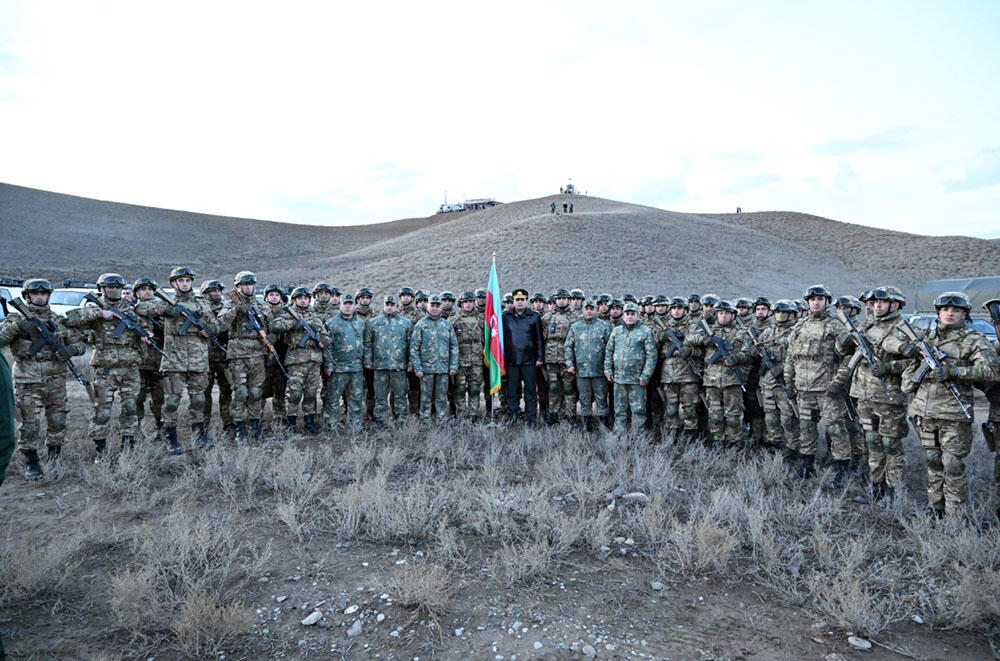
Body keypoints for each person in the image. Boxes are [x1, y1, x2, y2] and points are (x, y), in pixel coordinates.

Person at [901, 292, 998, 517]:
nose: (950, 313)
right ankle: (936, 509)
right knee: (933, 462)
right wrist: (912, 375)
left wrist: (955, 371)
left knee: (952, 466)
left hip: (954, 414)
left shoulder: (974, 340)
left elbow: (992, 371)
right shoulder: (926, 338)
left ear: (965, 314)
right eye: (945, 310)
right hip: (924, 413)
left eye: (956, 310)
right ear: (938, 312)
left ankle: (955, 517)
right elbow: (908, 366)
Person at [0, 278, 86, 479]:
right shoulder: (15, 319)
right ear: (27, 296)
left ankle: (55, 459)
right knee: (29, 423)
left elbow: (80, 344)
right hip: (27, 380)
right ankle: (31, 462)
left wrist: (69, 350)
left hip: (56, 379)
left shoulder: (58, 321)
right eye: (35, 294)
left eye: (43, 294)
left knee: (58, 420)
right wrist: (19, 327)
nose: (39, 297)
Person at [134, 267, 218, 455]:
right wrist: (170, 311)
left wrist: (208, 329)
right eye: (181, 281)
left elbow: (216, 324)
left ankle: (199, 434)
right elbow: (141, 307)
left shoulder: (202, 304)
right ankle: (170, 437)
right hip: (174, 360)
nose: (185, 284)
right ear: (174, 283)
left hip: (198, 360)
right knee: (172, 401)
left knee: (198, 400)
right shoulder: (166, 303)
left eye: (188, 280)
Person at [62, 273, 144, 459]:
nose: (114, 290)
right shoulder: (94, 308)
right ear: (102, 289)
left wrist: (146, 334)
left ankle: (129, 447)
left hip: (130, 367)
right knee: (102, 411)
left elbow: (145, 327)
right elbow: (69, 320)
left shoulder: (133, 309)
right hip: (105, 369)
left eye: (117, 287)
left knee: (130, 408)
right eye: (109, 287)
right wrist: (101, 313)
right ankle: (100, 450)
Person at [782, 285, 848, 478]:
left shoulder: (835, 325)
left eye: (820, 299)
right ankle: (806, 465)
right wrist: (788, 380)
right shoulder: (800, 326)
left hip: (827, 389)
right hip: (804, 388)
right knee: (806, 428)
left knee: (835, 429)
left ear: (827, 301)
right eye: (812, 299)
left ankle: (841, 469)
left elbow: (848, 358)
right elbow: (790, 356)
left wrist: (838, 382)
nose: (816, 302)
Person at [215, 272, 271, 442]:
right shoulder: (229, 303)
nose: (248, 287)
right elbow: (220, 325)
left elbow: (271, 327)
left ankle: (254, 425)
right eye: (244, 285)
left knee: (255, 392)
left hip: (257, 354)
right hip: (238, 355)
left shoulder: (261, 306)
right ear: (237, 286)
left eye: (250, 284)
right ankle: (240, 427)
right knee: (240, 393)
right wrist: (235, 311)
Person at [686, 301, 750, 446]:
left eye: (726, 313)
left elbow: (750, 353)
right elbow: (689, 339)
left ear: (733, 315)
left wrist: (737, 358)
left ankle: (735, 443)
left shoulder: (742, 331)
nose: (723, 316)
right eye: (720, 313)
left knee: (733, 417)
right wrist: (705, 340)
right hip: (712, 379)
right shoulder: (708, 330)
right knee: (715, 415)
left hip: (732, 380)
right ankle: (717, 442)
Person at [270, 286, 329, 435]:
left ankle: (309, 422)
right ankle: (291, 424)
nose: (303, 301)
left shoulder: (314, 317)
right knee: (294, 394)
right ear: (294, 300)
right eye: (300, 298)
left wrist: (319, 339)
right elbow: (275, 326)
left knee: (310, 394)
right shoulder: (288, 314)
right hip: (296, 361)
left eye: (306, 298)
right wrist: (293, 325)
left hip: (314, 361)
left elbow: (327, 338)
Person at [604, 302, 657, 433]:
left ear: (638, 316)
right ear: (623, 316)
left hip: (637, 380)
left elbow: (652, 355)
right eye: (627, 314)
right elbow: (609, 351)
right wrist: (608, 370)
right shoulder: (616, 331)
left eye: (633, 314)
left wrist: (646, 375)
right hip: (619, 379)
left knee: (638, 410)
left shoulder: (645, 331)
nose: (630, 317)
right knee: (619, 410)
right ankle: (619, 435)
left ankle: (637, 437)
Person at [756, 300, 799, 452]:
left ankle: (793, 448)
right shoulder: (768, 332)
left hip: (785, 383)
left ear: (791, 314)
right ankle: (773, 446)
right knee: (770, 418)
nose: (780, 315)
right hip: (768, 383)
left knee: (788, 419)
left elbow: (797, 357)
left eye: (784, 312)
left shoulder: (795, 332)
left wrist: (780, 368)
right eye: (778, 312)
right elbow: (755, 349)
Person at [658, 297, 702, 444]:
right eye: (674, 308)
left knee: (689, 409)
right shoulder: (664, 326)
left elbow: (703, 350)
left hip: (688, 374)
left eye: (679, 308)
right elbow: (653, 344)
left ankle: (691, 440)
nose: (676, 311)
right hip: (668, 375)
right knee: (670, 409)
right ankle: (672, 437)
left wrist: (690, 351)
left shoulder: (693, 326)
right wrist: (662, 337)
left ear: (685, 310)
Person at [364, 294, 413, 424]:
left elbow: (411, 345)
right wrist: (368, 361)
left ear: (397, 307)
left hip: (399, 366)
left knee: (400, 396)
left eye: (392, 305)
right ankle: (380, 419)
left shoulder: (406, 323)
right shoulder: (373, 322)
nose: (389, 307)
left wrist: (410, 362)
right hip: (380, 366)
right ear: (383, 305)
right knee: (380, 396)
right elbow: (368, 343)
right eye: (387, 304)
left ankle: (401, 419)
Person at [564, 299, 612, 431]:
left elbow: (610, 349)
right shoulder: (575, 327)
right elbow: (568, 346)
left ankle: (603, 426)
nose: (589, 311)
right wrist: (570, 364)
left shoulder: (605, 327)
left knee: (601, 400)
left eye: (592, 308)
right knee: (584, 400)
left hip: (600, 372)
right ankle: (587, 426)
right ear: (583, 310)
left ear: (596, 310)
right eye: (587, 309)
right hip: (581, 371)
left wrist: (608, 367)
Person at [409, 295, 458, 422]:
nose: (435, 308)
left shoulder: (447, 325)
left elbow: (454, 346)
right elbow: (414, 348)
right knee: (425, 396)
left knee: (441, 397)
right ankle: (425, 419)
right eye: (432, 305)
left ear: (441, 307)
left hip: (443, 368)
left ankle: (442, 420)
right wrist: (417, 368)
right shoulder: (421, 325)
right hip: (426, 369)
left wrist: (453, 366)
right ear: (428, 306)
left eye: (437, 306)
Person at [323, 293, 366, 427]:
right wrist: (328, 365)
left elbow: (365, 343)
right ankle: (332, 423)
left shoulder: (360, 323)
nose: (348, 306)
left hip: (356, 368)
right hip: (338, 368)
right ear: (340, 305)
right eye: (345, 304)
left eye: (350, 304)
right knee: (333, 398)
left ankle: (355, 422)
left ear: (354, 306)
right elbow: (327, 346)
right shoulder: (331, 323)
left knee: (356, 397)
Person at [502, 288, 544, 425]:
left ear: (526, 301)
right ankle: (513, 416)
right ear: (512, 301)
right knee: (512, 391)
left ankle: (531, 418)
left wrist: (539, 358)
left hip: (529, 361)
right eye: (517, 300)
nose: (520, 302)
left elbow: (539, 339)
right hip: (511, 360)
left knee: (530, 391)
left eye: (522, 300)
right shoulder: (505, 316)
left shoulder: (534, 316)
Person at [133, 277, 165, 438]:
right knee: (137, 398)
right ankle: (135, 429)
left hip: (158, 362)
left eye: (150, 289)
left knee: (159, 398)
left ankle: (161, 428)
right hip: (138, 362)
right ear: (137, 292)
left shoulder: (162, 311)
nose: (147, 292)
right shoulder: (131, 311)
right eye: (143, 289)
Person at [199, 279, 233, 434]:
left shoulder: (226, 309)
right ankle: (203, 425)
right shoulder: (200, 309)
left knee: (226, 393)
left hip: (224, 357)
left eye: (219, 291)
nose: (217, 293)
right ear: (206, 293)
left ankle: (228, 422)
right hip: (204, 358)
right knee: (204, 394)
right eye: (214, 291)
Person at [542, 289, 576, 424]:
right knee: (553, 387)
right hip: (551, 358)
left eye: (564, 298)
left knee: (569, 388)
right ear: (555, 300)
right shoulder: (547, 317)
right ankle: (553, 414)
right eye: (559, 298)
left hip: (567, 358)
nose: (561, 300)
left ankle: (570, 415)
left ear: (568, 300)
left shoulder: (574, 317)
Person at [451, 291, 484, 419]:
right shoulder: (454, 320)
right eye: (465, 302)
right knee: (459, 389)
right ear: (461, 304)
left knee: (475, 388)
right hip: (460, 360)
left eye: (471, 302)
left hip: (477, 359)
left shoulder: (481, 319)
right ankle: (461, 415)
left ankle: (473, 414)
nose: (468, 304)